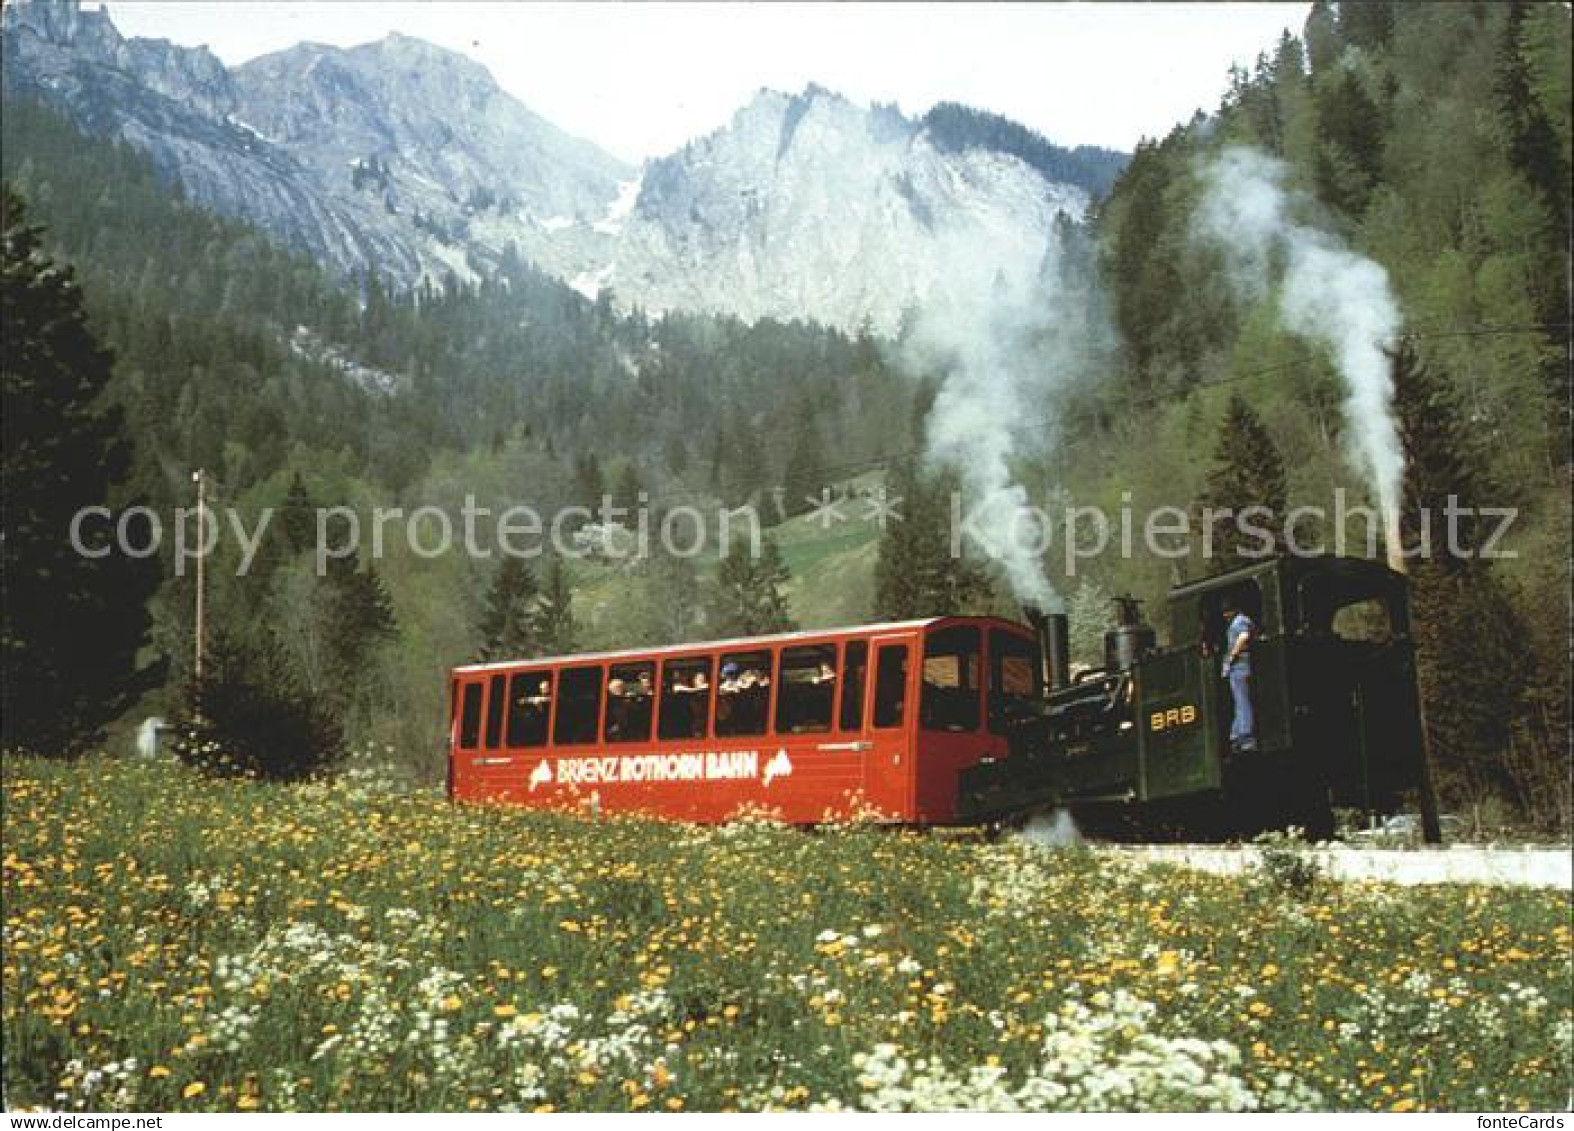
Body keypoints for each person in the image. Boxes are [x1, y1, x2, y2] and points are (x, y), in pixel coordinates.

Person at [1221, 601, 1256, 753]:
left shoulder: (1240, 621)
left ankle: (1245, 735)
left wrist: (1231, 657)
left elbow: (1243, 636)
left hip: (1240, 667)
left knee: (1242, 701)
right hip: (1239, 668)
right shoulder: (1241, 621)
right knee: (1239, 701)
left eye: (1227, 612)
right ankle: (1236, 734)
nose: (1225, 616)